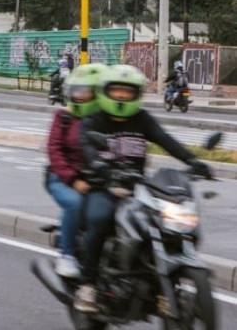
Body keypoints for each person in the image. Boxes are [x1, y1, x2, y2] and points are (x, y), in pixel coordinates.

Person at [74, 64, 212, 313]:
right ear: (106, 92)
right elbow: (86, 147)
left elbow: (166, 140)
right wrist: (99, 166)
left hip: (137, 186)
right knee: (100, 219)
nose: (121, 97)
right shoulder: (94, 120)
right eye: (116, 92)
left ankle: (156, 283)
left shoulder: (142, 119)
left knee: (162, 224)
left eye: (127, 93)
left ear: (136, 94)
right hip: (103, 185)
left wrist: (193, 161)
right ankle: (88, 285)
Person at [44, 63, 105, 278]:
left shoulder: (104, 119)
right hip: (61, 178)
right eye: (76, 90)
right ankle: (67, 255)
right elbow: (54, 150)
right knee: (75, 203)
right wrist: (72, 179)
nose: (79, 95)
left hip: (97, 179)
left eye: (85, 90)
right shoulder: (65, 116)